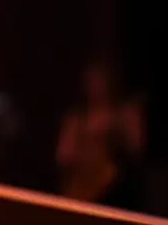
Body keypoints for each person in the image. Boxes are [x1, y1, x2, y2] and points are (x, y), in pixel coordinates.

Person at [56, 60, 144, 210]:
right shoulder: (77, 119)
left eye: (100, 79)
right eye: (91, 79)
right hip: (81, 193)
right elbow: (63, 155)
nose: (95, 85)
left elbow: (136, 147)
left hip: (113, 196)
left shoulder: (122, 116)